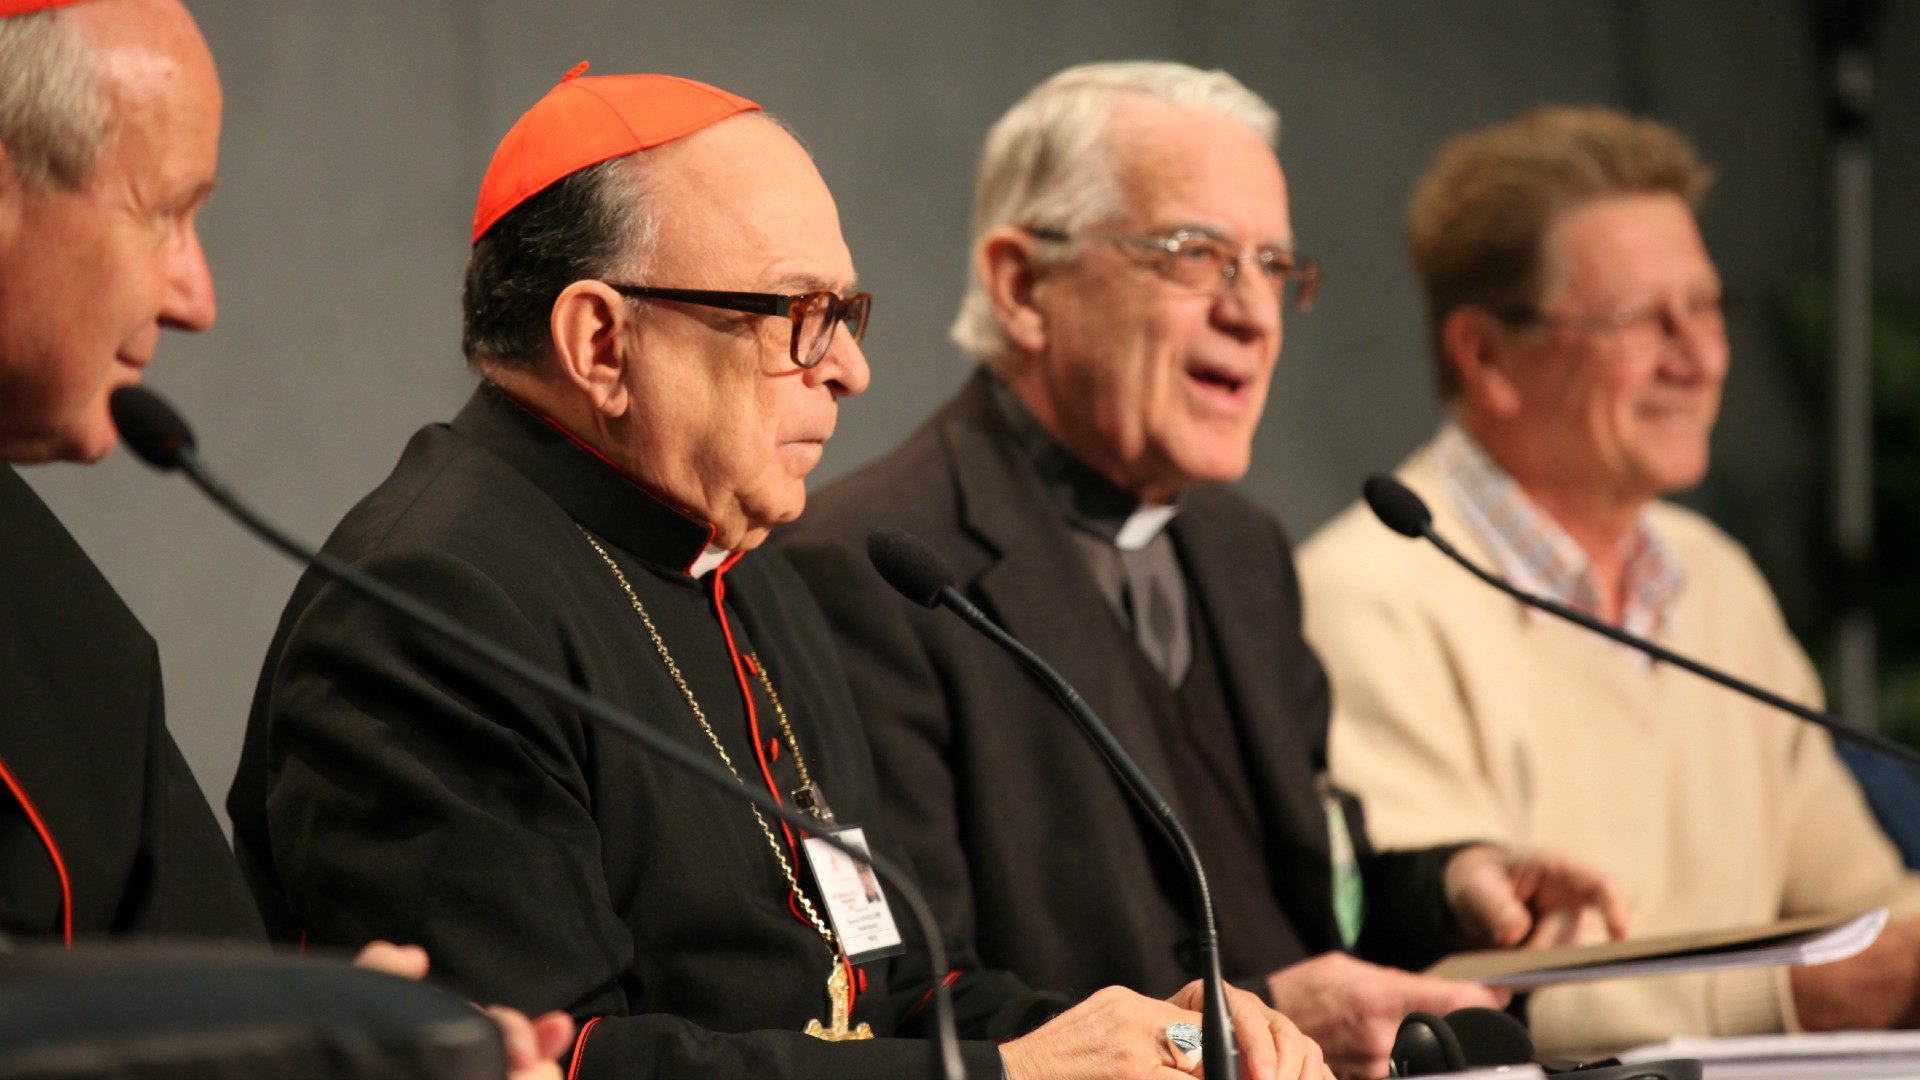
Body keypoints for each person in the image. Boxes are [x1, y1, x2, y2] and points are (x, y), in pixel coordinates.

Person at [228, 66, 1331, 1080]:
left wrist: (1148, 1036)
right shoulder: (432, 606)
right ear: (602, 343)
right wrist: (1008, 1078)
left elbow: (904, 989)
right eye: (800, 317)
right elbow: (544, 1057)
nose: (851, 369)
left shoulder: (749, 575)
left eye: (846, 316)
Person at [774, 62, 1624, 1080]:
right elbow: (914, 996)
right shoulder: (875, 566)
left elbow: (1304, 889)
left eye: (1272, 265)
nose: (1255, 314)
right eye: (1195, 255)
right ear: (1022, 284)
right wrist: (1242, 1024)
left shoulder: (1239, 546)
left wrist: (1450, 886)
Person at [0, 2, 572, 1073]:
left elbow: (194, 956)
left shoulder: (75, 630)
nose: (196, 298)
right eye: (166, 214)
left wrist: (388, 1035)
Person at [1298, 105, 1920, 1059]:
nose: (1701, 357)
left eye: (1708, 308)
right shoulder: (1370, 594)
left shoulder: (1712, 578)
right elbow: (1457, 1002)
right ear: (1486, 356)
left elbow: (1862, 902)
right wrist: (1809, 1000)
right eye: (1642, 321)